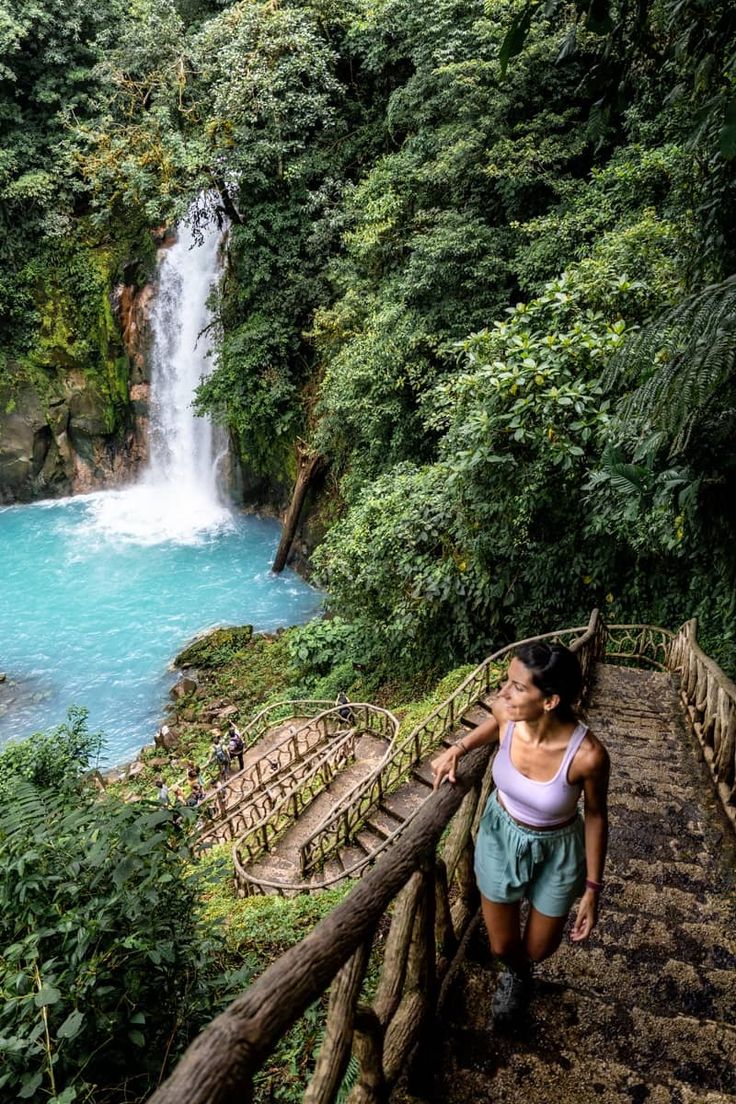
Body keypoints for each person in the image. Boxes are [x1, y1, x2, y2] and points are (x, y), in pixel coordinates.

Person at [431, 641, 609, 1028]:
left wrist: (593, 890)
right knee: (501, 945)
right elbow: (496, 721)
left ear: (549, 701)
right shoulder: (508, 714)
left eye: (517, 686)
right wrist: (458, 748)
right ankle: (516, 973)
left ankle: (526, 967)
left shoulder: (588, 756)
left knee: (541, 947)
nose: (503, 693)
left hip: (559, 846)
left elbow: (596, 814)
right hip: (500, 833)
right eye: (506, 681)